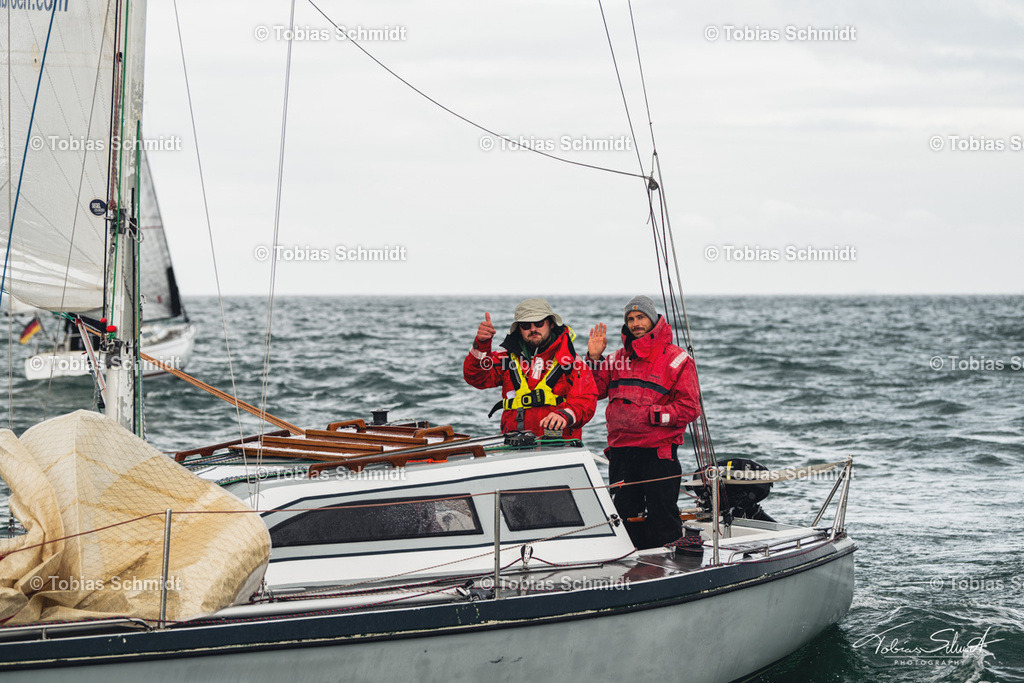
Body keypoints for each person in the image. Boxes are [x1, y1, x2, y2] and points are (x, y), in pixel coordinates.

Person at [587, 295, 701, 549]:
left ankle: (669, 572)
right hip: (621, 453)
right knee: (622, 517)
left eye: (641, 317)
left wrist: (655, 416)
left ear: (653, 319)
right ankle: (630, 568)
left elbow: (690, 407)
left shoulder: (678, 359)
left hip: (658, 454)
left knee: (663, 515)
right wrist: (594, 359)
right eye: (630, 319)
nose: (636, 323)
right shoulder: (615, 358)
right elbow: (594, 391)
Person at [464, 298, 597, 439]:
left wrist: (565, 415)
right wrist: (481, 344)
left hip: (559, 446)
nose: (533, 329)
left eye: (539, 323)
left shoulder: (572, 363)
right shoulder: (506, 359)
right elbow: (476, 377)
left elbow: (586, 400)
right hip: (515, 447)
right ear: (519, 329)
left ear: (551, 324)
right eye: (526, 325)